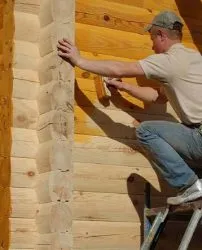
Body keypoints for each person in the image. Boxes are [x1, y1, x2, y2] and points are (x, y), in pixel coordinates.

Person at [57, 10, 202, 205]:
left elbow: (118, 69)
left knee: (146, 131)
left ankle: (189, 185)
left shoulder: (169, 61)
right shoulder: (193, 59)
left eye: (152, 38)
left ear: (161, 35)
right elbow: (158, 97)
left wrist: (79, 61)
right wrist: (124, 87)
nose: (152, 45)